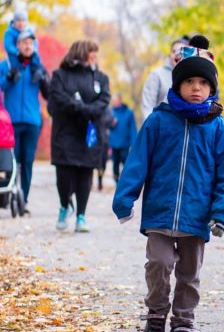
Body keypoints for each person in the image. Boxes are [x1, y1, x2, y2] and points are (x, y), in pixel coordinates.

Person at [113, 35, 224, 332]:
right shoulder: (158, 121)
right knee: (158, 262)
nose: (196, 87)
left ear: (212, 88)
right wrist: (125, 199)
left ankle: (182, 324)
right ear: (177, 85)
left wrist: (222, 212)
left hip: (197, 218)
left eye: (202, 82)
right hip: (159, 212)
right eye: (188, 81)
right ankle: (156, 312)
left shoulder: (220, 130)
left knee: (188, 274)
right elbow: (137, 161)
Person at [47, 39, 111, 233]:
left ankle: (81, 216)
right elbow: (58, 98)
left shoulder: (101, 78)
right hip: (65, 132)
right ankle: (64, 205)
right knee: (65, 174)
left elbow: (104, 100)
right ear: (82, 52)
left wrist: (87, 110)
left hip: (89, 133)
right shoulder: (60, 75)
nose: (95, 56)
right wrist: (82, 108)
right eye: (93, 51)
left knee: (85, 173)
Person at [0, 27, 49, 209]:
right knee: (12, 161)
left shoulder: (37, 66)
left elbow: (48, 94)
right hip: (10, 122)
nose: (28, 46)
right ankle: (10, 195)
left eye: (31, 43)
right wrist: (9, 78)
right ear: (18, 45)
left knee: (27, 161)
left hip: (32, 121)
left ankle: (24, 200)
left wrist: (44, 79)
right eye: (24, 43)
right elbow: (0, 86)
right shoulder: (6, 64)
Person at [140, 36, 190, 121]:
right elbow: (147, 106)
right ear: (170, 54)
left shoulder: (192, 78)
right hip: (160, 129)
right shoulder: (156, 75)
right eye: (174, 51)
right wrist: (151, 130)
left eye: (181, 51)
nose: (177, 55)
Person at [107, 94, 138, 183]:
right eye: (113, 101)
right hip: (113, 144)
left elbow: (133, 129)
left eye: (115, 100)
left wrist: (134, 143)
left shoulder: (129, 112)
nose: (114, 102)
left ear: (120, 100)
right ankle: (117, 183)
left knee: (126, 165)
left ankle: (125, 182)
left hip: (125, 144)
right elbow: (106, 126)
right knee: (115, 165)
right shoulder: (111, 112)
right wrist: (111, 123)